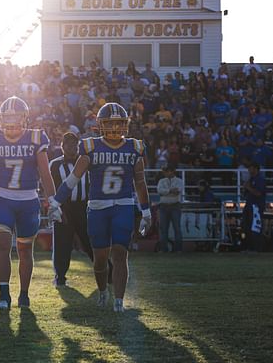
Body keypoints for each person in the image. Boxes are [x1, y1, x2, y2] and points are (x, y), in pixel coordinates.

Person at [49, 103, 153, 313]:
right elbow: (73, 179)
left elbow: (140, 183)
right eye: (110, 123)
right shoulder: (90, 147)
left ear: (125, 124)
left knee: (120, 253)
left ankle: (119, 301)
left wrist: (146, 211)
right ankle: (103, 292)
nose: (115, 127)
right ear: (100, 125)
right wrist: (56, 201)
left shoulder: (135, 147)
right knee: (100, 259)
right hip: (97, 208)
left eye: (119, 123)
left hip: (123, 204)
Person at [0, 96, 57, 309]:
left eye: (15, 116)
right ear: (1, 118)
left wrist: (52, 199)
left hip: (29, 200)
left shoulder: (35, 137)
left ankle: (24, 294)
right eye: (7, 116)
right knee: (3, 245)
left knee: (25, 250)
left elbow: (45, 172)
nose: (11, 120)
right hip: (5, 198)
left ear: (24, 118)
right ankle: (4, 294)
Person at [49, 132, 105, 288]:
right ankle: (60, 276)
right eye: (69, 144)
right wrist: (58, 209)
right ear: (62, 146)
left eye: (75, 144)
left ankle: (106, 271)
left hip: (84, 207)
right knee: (62, 243)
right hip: (64, 208)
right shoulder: (54, 164)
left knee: (92, 240)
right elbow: (51, 188)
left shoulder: (86, 162)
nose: (73, 147)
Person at [157, 165, 184, 252]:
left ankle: (178, 249)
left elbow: (177, 191)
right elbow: (159, 191)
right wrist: (171, 191)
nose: (166, 173)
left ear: (172, 171)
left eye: (167, 171)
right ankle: (164, 249)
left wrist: (166, 192)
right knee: (163, 228)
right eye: (165, 171)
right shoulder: (161, 181)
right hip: (165, 206)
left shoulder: (179, 181)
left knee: (176, 228)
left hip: (174, 205)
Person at [241, 161, 266, 252]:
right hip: (249, 205)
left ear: (255, 169)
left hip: (256, 207)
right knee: (246, 226)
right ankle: (248, 247)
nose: (248, 170)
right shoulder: (251, 179)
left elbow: (259, 193)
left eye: (250, 168)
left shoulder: (260, 179)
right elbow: (245, 194)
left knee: (255, 227)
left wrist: (248, 188)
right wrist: (245, 189)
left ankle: (256, 248)